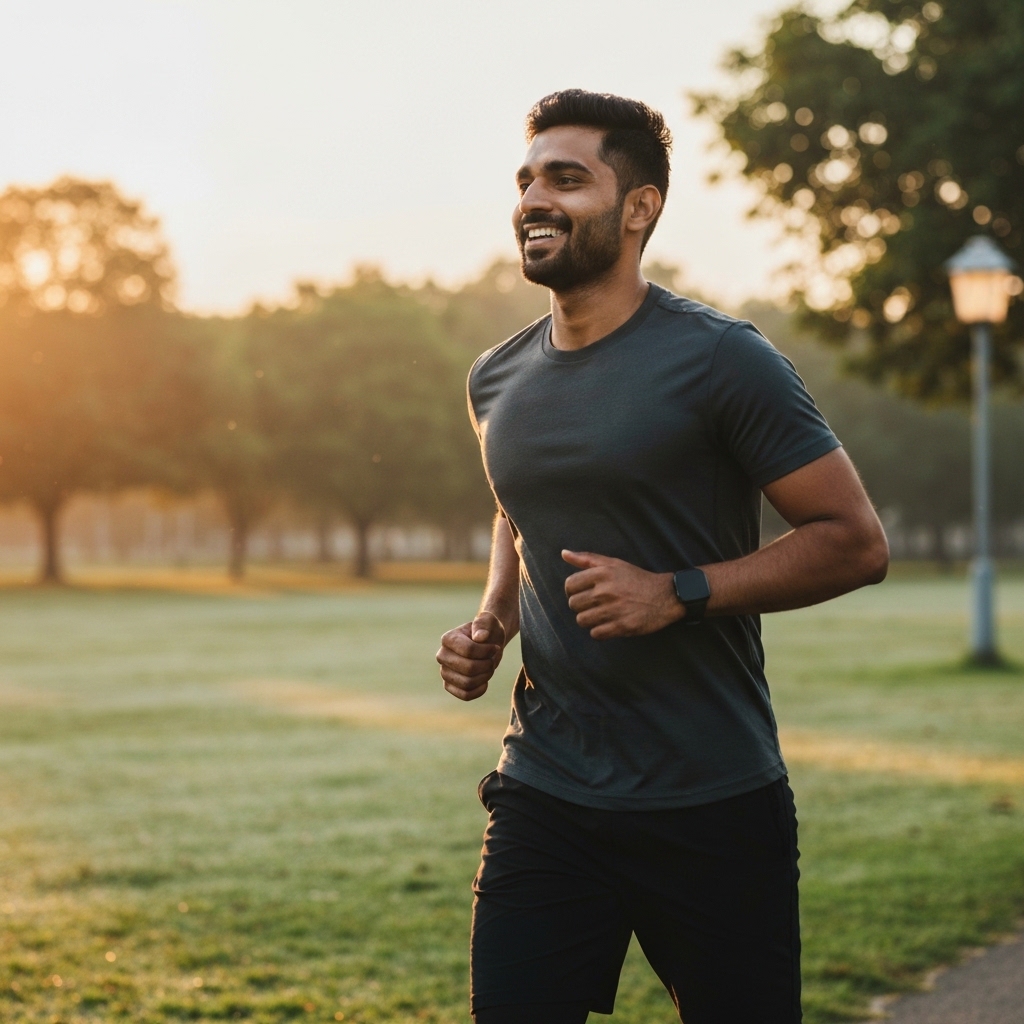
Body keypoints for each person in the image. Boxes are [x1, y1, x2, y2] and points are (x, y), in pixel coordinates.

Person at [435, 89, 888, 1024]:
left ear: (639, 207)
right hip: (547, 791)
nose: (534, 200)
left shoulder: (723, 359)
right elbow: (517, 507)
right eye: (526, 181)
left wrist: (676, 592)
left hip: (710, 796)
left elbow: (854, 542)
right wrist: (494, 618)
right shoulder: (496, 377)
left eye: (567, 179)